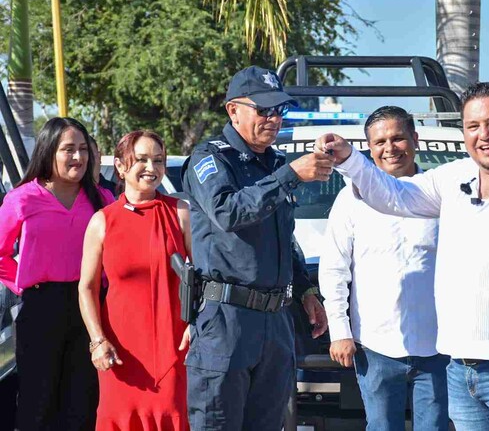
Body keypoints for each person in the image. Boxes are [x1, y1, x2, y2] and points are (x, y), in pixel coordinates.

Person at [315, 82, 489, 431]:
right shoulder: (455, 177)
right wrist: (350, 160)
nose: (484, 135)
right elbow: (394, 197)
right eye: (473, 127)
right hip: (462, 368)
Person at [182, 65, 331, 430]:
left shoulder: (277, 162)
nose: (274, 118)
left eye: (279, 110)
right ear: (233, 110)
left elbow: (285, 238)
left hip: (275, 321)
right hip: (227, 319)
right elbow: (228, 212)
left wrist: (307, 290)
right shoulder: (210, 159)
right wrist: (290, 175)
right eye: (263, 110)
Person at [319, 106, 449, 431]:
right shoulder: (350, 200)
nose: (389, 148)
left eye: (397, 138)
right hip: (375, 346)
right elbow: (335, 268)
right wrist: (340, 331)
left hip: (438, 347)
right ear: (369, 148)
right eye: (379, 142)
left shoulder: (441, 195)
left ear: (414, 139)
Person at [0, 117, 113, 430]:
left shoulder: (101, 199)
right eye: (68, 149)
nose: (78, 157)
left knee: (84, 402)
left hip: (91, 307)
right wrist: (24, 283)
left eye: (82, 149)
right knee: (38, 403)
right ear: (49, 152)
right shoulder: (22, 198)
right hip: (41, 309)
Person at [79, 131, 191, 430]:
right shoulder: (102, 221)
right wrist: (97, 341)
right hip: (119, 350)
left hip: (174, 345)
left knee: (173, 414)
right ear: (120, 165)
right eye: (141, 159)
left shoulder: (180, 213)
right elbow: (86, 287)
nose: (151, 168)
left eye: (158, 160)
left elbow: (203, 277)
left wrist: (196, 324)